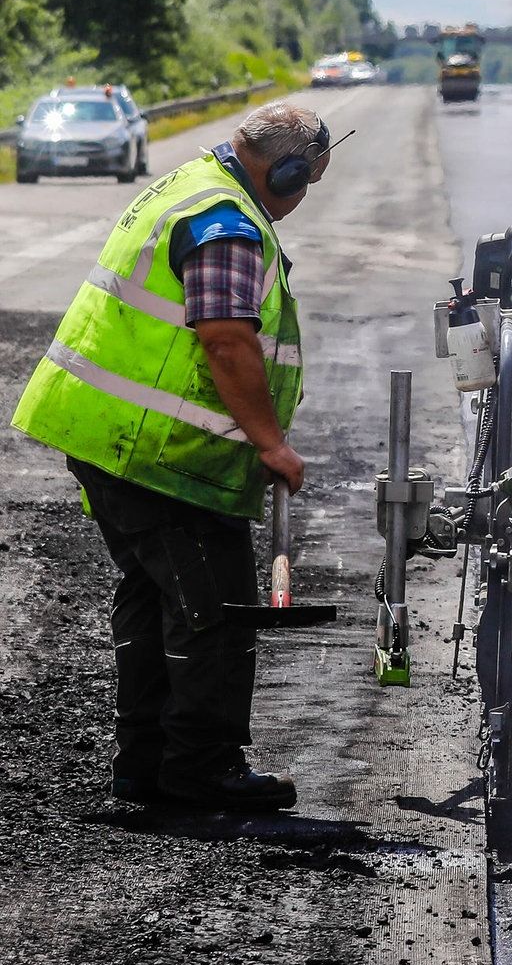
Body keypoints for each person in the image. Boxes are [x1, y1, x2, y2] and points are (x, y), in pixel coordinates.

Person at [11, 101, 339, 811]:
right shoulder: (226, 223)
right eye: (307, 180)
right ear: (285, 171)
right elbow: (225, 339)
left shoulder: (190, 185)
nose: (304, 195)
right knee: (214, 610)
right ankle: (200, 770)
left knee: (155, 597)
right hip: (161, 454)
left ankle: (147, 767)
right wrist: (271, 444)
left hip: (111, 437)